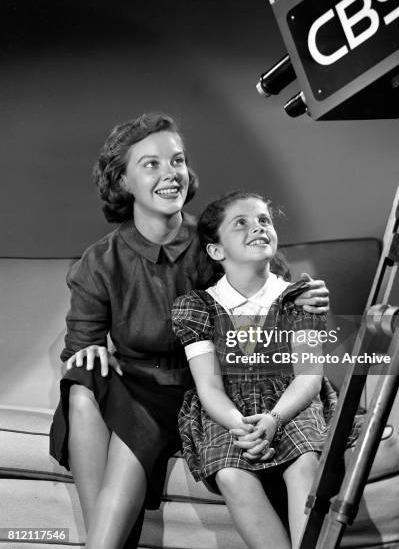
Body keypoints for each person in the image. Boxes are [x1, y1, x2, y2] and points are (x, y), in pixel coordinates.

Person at [48, 113, 330, 549]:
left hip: (207, 384)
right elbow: (79, 344)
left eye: (177, 161)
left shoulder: (216, 237)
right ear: (123, 182)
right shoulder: (100, 261)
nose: (170, 174)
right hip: (139, 383)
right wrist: (89, 351)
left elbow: (271, 289)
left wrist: (302, 299)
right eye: (151, 164)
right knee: (83, 385)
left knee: (132, 435)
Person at [172, 191, 339, 549]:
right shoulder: (199, 307)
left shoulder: (298, 298)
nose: (258, 228)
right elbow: (209, 386)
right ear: (216, 251)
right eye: (241, 224)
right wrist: (239, 425)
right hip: (228, 408)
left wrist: (275, 419)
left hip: (291, 403)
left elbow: (309, 376)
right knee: (231, 473)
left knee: (305, 461)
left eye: (264, 220)